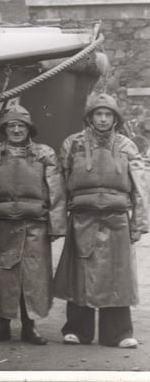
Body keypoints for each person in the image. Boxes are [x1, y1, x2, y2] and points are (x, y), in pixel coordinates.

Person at [54, 93, 148, 349]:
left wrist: (139, 223)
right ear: (90, 117)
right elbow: (60, 185)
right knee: (80, 274)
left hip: (116, 219)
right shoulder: (72, 144)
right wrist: (58, 222)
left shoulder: (127, 145)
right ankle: (77, 330)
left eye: (108, 114)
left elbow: (140, 187)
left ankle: (118, 333)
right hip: (82, 219)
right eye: (99, 114)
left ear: (115, 118)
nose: (103, 119)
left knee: (118, 277)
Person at [0, 105, 67, 345]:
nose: (16, 130)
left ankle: (30, 327)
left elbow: (56, 190)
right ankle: (1, 325)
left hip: (34, 226)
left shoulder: (44, 154)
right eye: (11, 125)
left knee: (33, 276)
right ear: (4, 128)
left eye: (21, 126)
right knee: (1, 275)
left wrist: (56, 225)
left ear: (29, 129)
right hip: (1, 225)